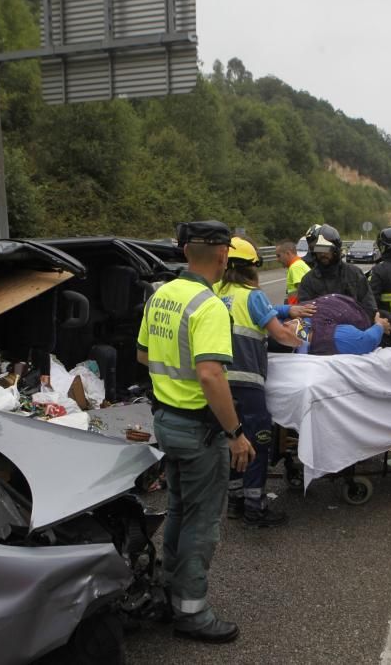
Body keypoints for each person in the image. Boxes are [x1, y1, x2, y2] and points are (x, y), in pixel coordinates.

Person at [136, 220, 255, 644]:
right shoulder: (208, 306)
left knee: (179, 512)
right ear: (223, 256)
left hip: (166, 422)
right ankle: (192, 612)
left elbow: (143, 353)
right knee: (202, 523)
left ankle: (171, 592)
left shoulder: (162, 295)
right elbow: (210, 375)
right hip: (200, 431)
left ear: (185, 251)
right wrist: (235, 432)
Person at [214, 238, 314, 527]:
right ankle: (256, 507)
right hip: (248, 383)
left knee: (234, 441)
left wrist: (285, 311)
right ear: (251, 268)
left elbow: (258, 313)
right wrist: (305, 343)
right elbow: (280, 336)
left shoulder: (215, 293)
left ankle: (235, 502)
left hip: (220, 383)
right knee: (258, 443)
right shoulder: (251, 295)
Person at [298, 224, 378, 318]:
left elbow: (369, 307)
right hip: (322, 330)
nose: (322, 253)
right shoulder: (308, 280)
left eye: (326, 248)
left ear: (335, 249)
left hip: (355, 329)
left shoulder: (354, 273)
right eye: (318, 249)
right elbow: (305, 312)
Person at [302, 293, 391, 355]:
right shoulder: (300, 327)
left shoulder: (327, 335)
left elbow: (365, 341)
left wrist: (380, 326)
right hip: (338, 305)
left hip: (363, 315)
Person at [275, 239, 312, 305]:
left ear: (288, 253)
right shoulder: (298, 264)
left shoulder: (295, 267)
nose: (277, 260)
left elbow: (303, 293)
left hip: (299, 311)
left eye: (279, 256)